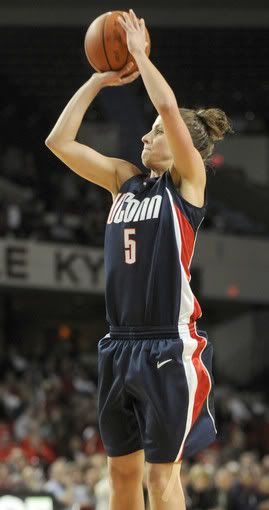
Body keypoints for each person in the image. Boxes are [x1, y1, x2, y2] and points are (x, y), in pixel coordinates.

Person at [45, 9, 232, 510]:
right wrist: (98, 80)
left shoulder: (188, 186)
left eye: (154, 131)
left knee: (160, 477)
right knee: (122, 477)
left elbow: (169, 108)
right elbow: (58, 142)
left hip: (170, 347)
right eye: (146, 130)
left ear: (181, 146)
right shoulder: (122, 180)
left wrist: (142, 58)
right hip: (118, 343)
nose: (146, 136)